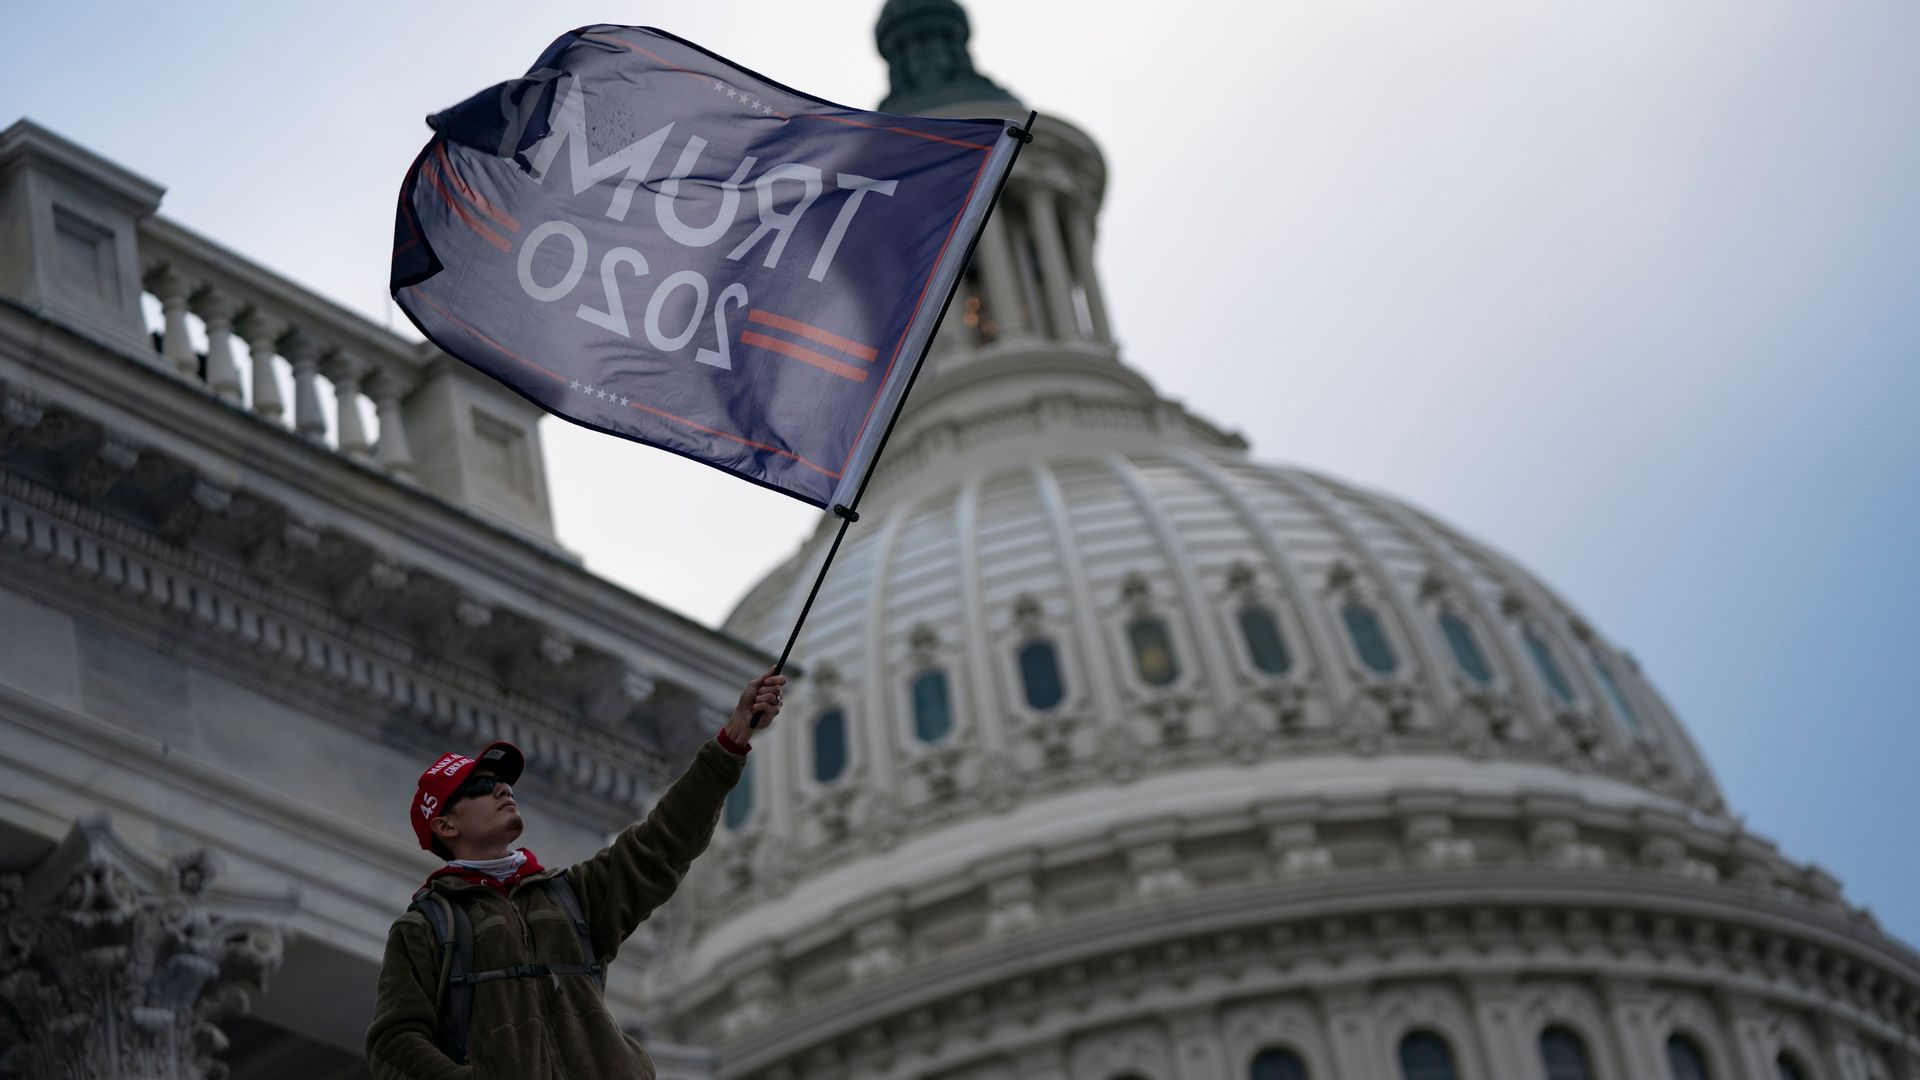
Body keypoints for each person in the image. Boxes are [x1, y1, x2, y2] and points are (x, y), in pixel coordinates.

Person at [366, 668, 786, 1080]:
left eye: (503, 783)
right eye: (478, 787)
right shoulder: (425, 928)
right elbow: (395, 1044)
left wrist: (731, 740)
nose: (502, 789)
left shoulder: (570, 894)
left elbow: (665, 840)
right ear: (445, 826)